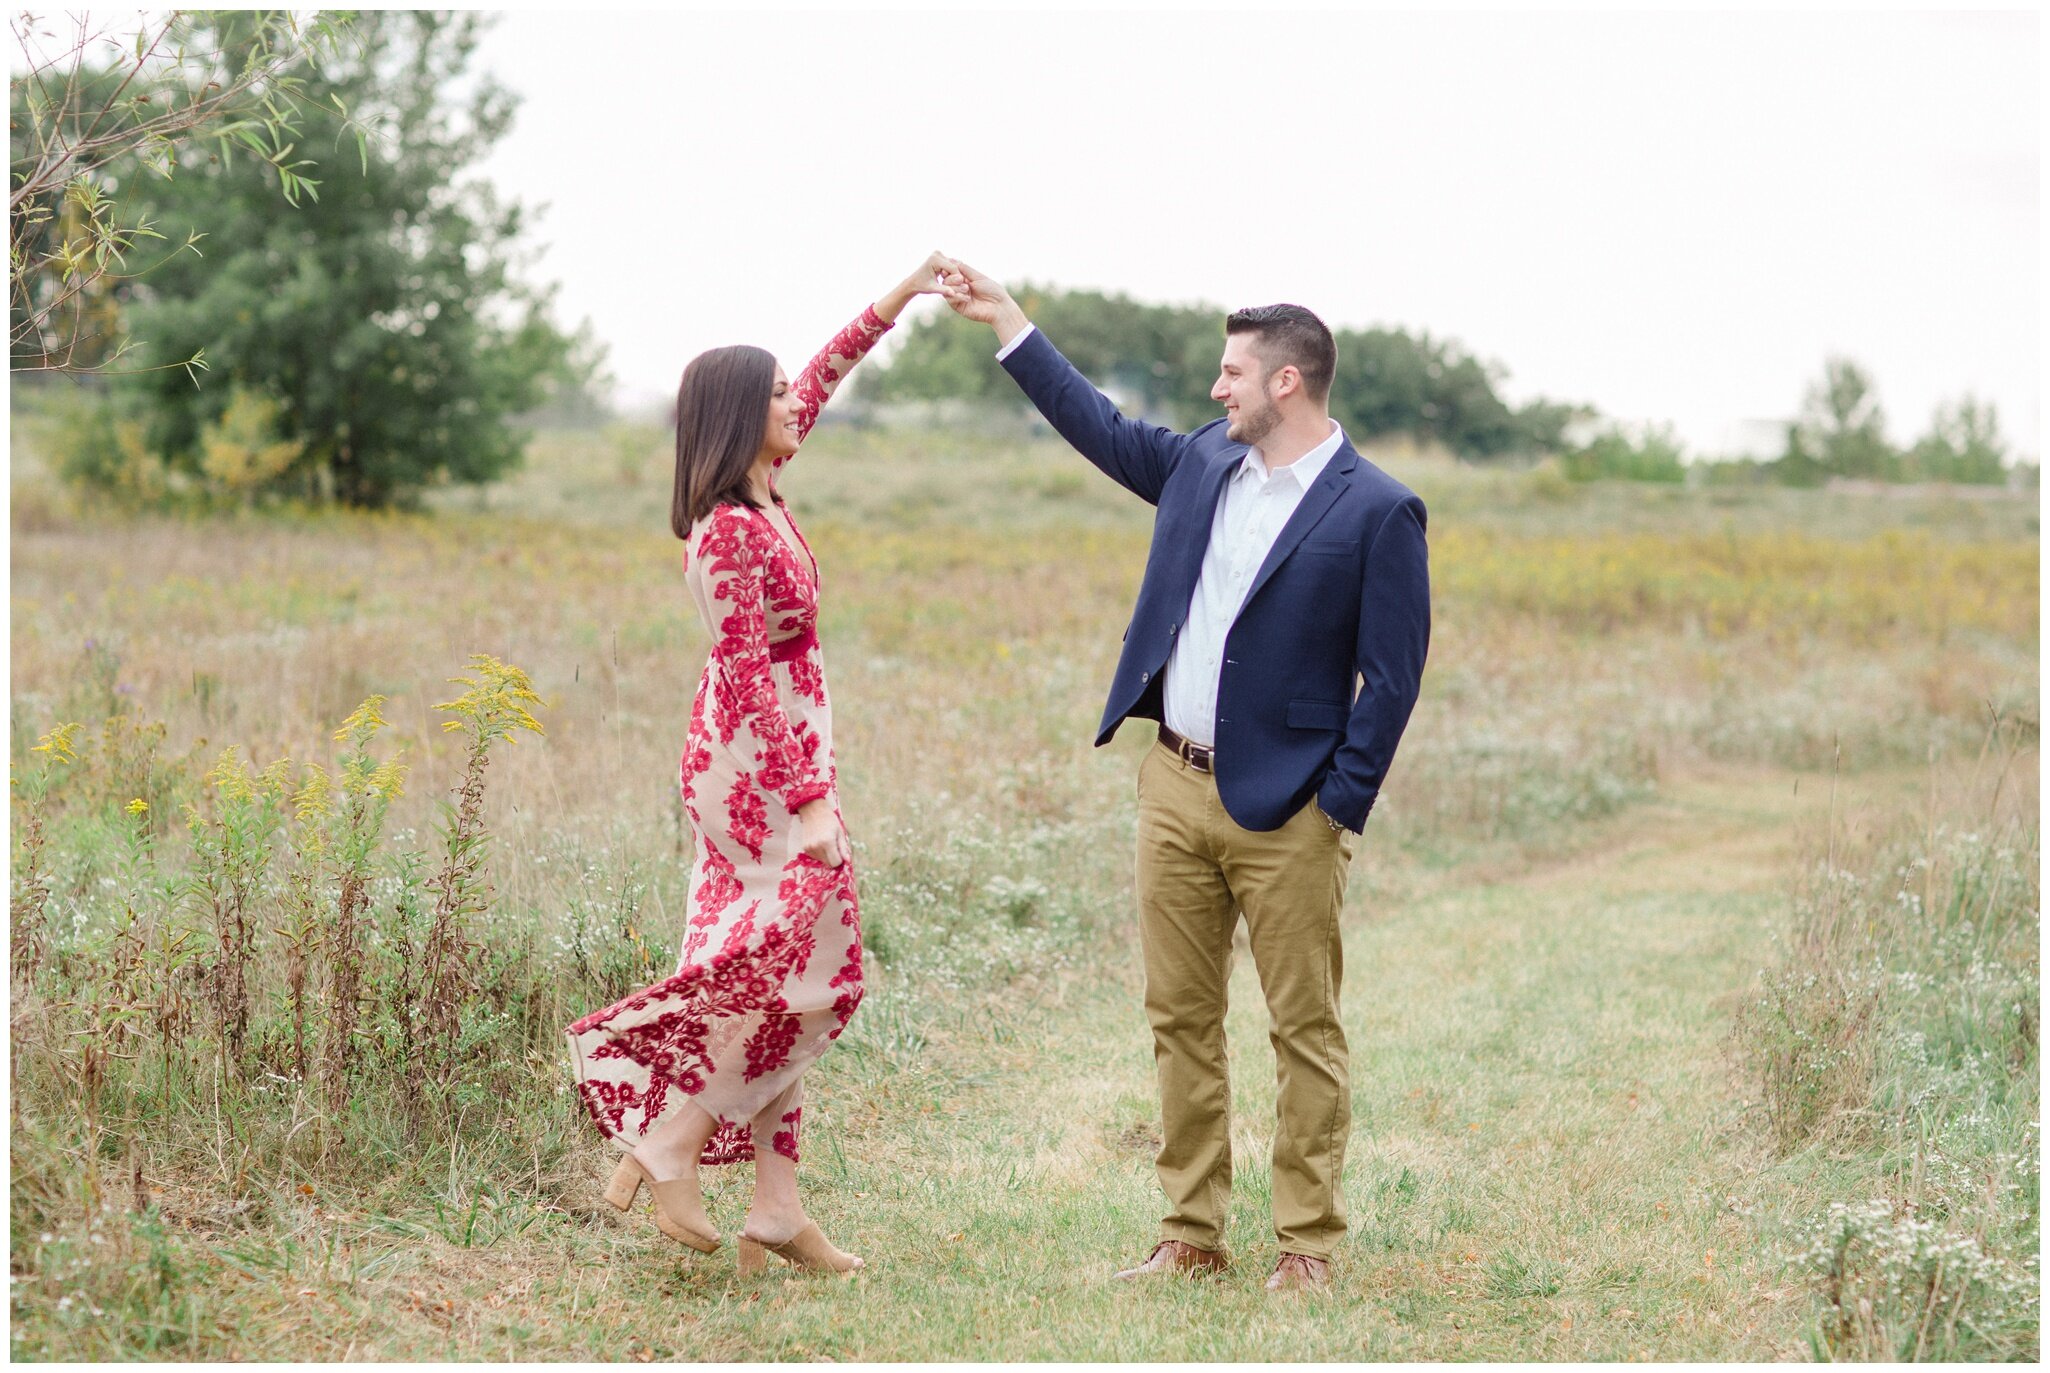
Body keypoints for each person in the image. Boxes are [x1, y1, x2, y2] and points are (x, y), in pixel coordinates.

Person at [940, 261, 1430, 1294]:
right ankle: (1191, 1232)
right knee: (1179, 1016)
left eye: (1231, 372)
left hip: (1290, 808)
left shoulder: (1378, 510)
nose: (1218, 390)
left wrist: (1335, 803)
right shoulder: (1205, 463)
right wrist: (1013, 325)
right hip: (1170, 785)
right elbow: (1102, 427)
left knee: (1303, 1027)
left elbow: (1391, 678)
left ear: (1286, 382)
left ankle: (1307, 1244)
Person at [565, 252, 954, 1277]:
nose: (799, 400)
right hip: (755, 766)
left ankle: (774, 1204)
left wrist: (902, 296)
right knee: (806, 971)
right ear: (743, 416)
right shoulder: (731, 533)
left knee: (779, 975)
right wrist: (813, 801)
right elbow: (743, 674)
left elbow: (825, 370)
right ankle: (668, 1135)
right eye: (778, 392)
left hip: (767, 753)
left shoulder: (763, 489)